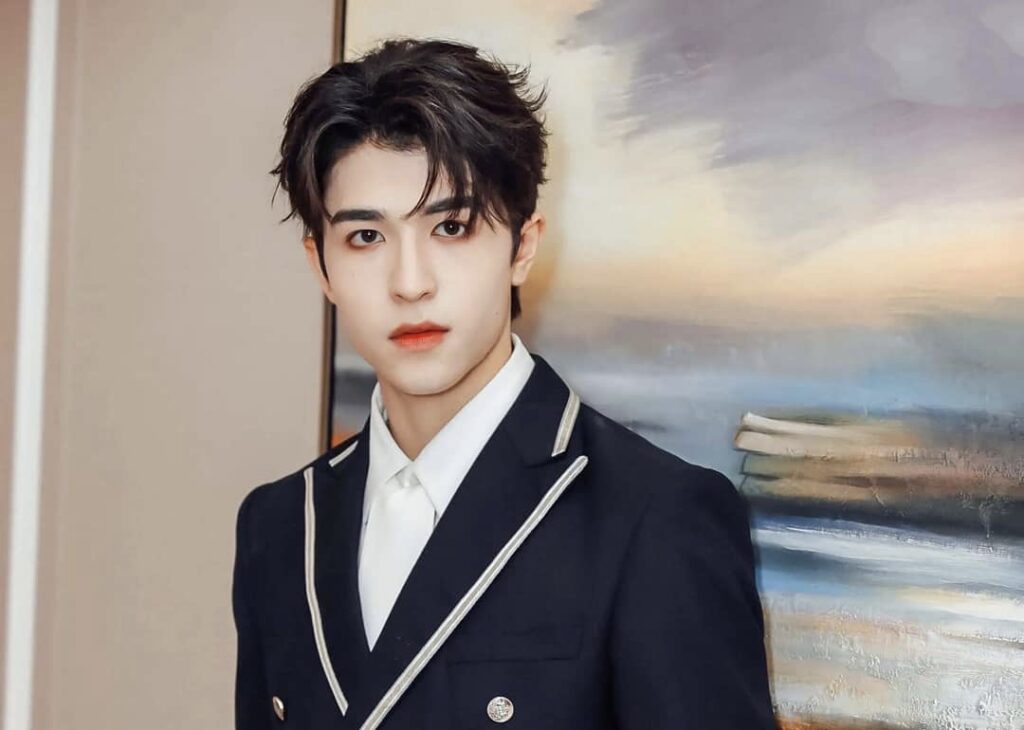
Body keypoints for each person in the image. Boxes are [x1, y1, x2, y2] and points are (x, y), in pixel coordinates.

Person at [232, 37, 776, 729]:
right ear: (321, 266)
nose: (410, 283)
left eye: (452, 227)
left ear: (522, 245)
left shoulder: (656, 517)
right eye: (366, 237)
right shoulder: (280, 525)